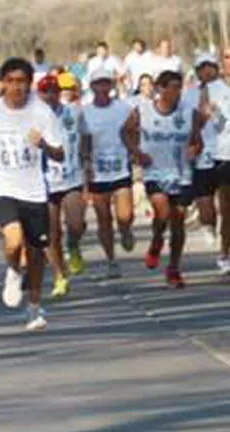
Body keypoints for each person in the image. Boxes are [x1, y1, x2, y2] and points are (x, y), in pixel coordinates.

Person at [0, 57, 65, 331]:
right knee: (13, 240)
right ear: (2, 83)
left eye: (21, 81)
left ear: (29, 83)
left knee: (36, 254)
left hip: (34, 189)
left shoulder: (42, 113)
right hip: (4, 186)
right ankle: (13, 270)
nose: (16, 87)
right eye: (10, 81)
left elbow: (60, 153)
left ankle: (34, 307)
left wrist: (45, 145)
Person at [126, 70, 201, 287]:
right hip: (155, 171)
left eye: (180, 87)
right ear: (160, 89)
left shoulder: (189, 113)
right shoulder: (143, 111)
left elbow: (197, 141)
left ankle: (174, 268)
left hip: (181, 173)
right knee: (163, 211)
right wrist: (137, 153)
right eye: (172, 87)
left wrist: (194, 150)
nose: (177, 91)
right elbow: (126, 132)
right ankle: (157, 241)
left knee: (178, 221)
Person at [81, 67, 137, 278]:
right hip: (98, 171)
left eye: (106, 83)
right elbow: (84, 141)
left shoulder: (123, 108)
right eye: (98, 84)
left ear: (111, 86)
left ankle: (125, 230)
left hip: (120, 167)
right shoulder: (85, 112)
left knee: (125, 215)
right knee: (104, 219)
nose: (102, 88)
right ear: (92, 86)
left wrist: (134, 152)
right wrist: (85, 163)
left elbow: (134, 131)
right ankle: (111, 260)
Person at [38, 75, 88, 297]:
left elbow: (85, 136)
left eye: (53, 91)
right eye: (45, 91)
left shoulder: (73, 112)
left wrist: (86, 160)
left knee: (76, 223)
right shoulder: (32, 116)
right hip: (45, 181)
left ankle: (74, 246)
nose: (49, 95)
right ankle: (60, 275)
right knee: (51, 233)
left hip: (71, 176)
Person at [185, 54, 221, 250]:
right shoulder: (188, 95)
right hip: (201, 154)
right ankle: (209, 226)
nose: (206, 71)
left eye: (210, 67)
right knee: (205, 203)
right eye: (202, 68)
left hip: (224, 152)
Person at [205, 47, 230, 274]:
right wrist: (209, 112)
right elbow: (200, 119)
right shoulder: (212, 89)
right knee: (227, 210)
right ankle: (225, 253)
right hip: (223, 154)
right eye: (227, 57)